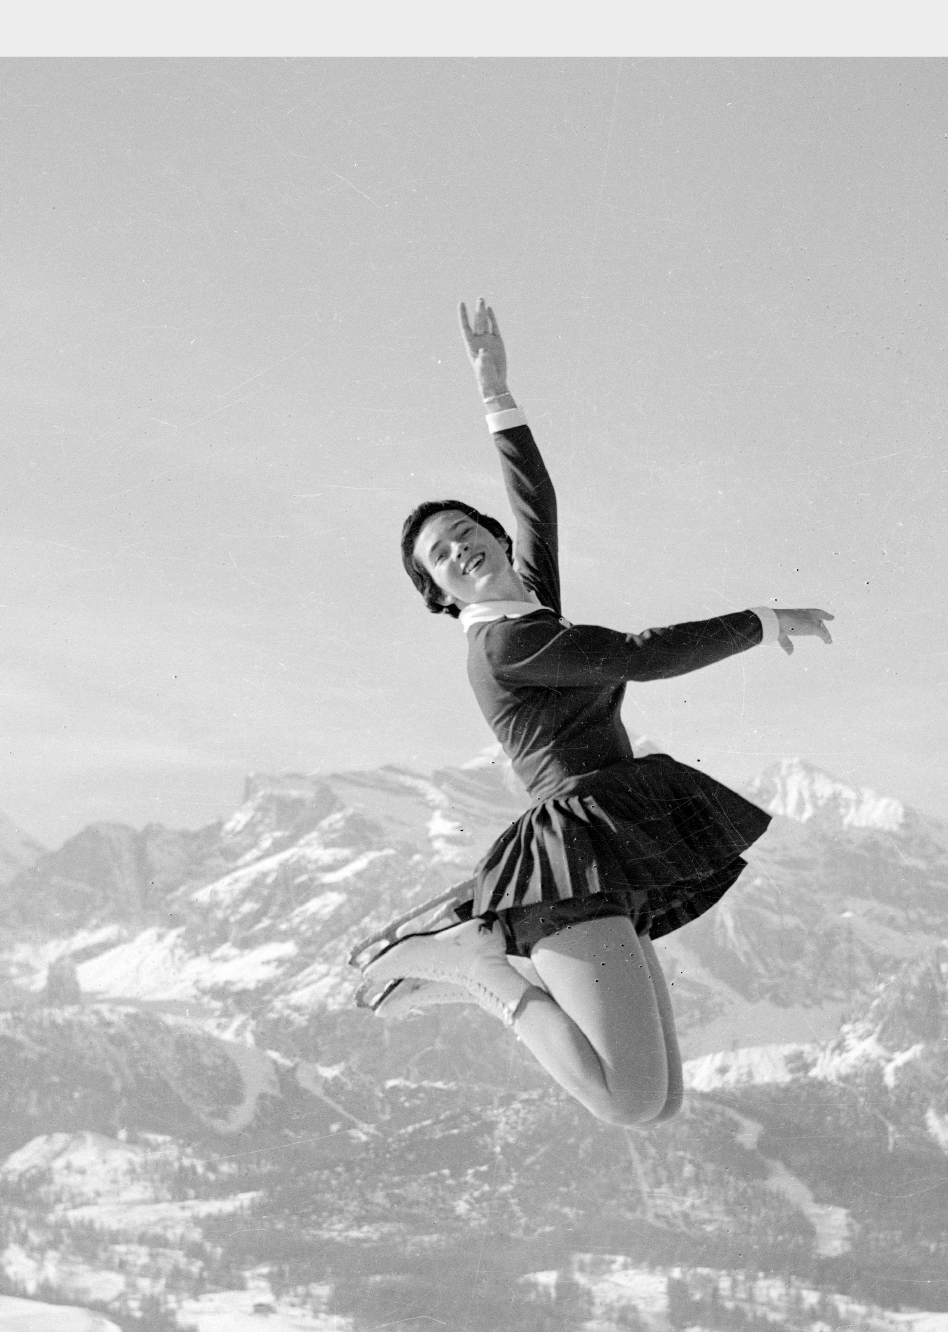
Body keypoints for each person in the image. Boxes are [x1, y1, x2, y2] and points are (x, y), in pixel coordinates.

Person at [352, 299, 834, 1128]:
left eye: (466, 532)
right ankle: (477, 969)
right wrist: (760, 622)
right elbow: (640, 655)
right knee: (629, 1103)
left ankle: (476, 957)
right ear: (438, 592)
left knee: (663, 1100)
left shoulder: (530, 614)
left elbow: (537, 501)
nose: (460, 548)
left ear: (496, 543)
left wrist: (494, 391)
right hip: (567, 870)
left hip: (598, 854)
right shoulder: (507, 647)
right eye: (440, 557)